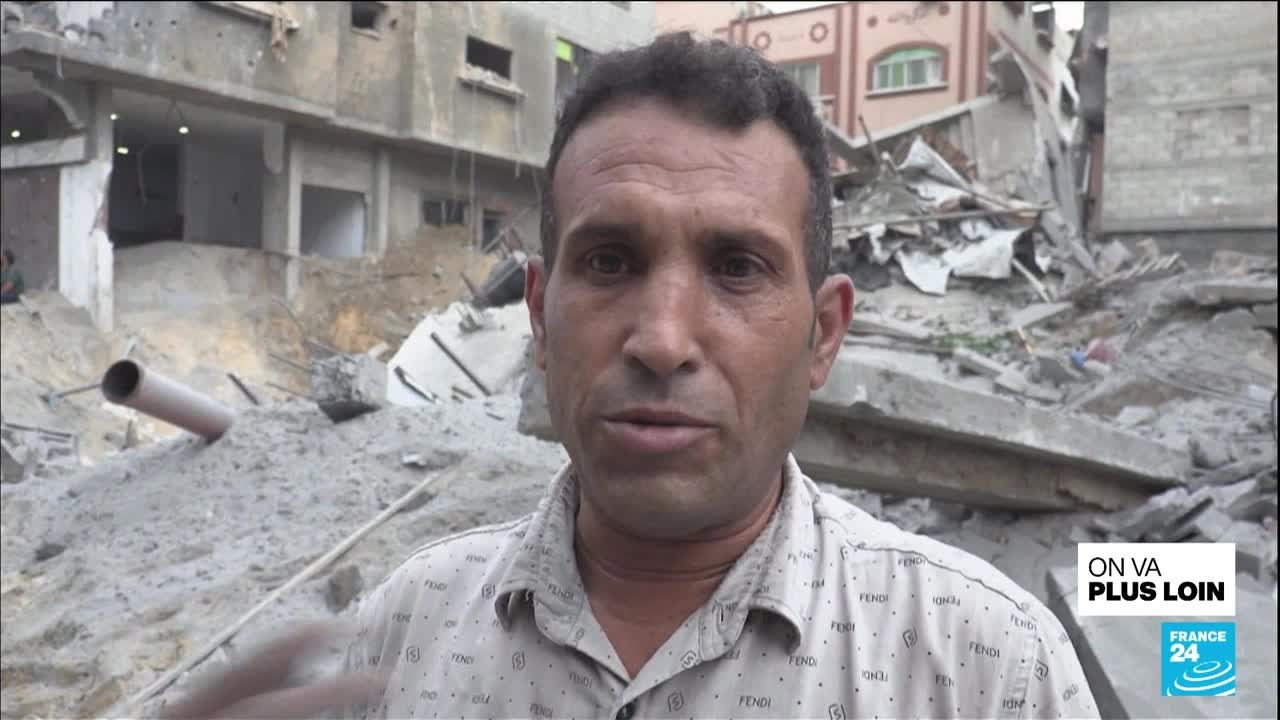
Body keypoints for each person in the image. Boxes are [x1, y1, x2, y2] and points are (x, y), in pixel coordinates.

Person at [162, 33, 1099, 720]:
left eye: (737, 268)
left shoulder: (987, 668)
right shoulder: (402, 634)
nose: (660, 339)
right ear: (538, 315)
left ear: (822, 335)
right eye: (609, 261)